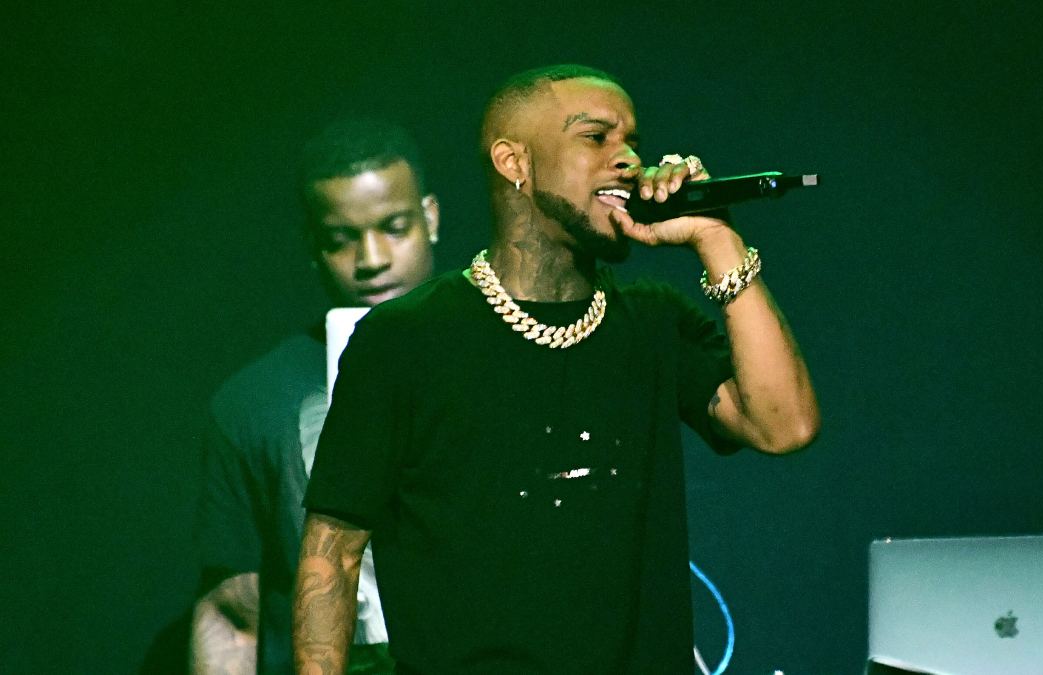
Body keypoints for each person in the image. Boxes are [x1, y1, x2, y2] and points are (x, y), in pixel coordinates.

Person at [294, 65, 820, 675]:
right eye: (596, 137)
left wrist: (716, 239)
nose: (628, 160)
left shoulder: (653, 320)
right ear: (514, 162)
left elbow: (784, 426)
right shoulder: (404, 338)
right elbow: (332, 554)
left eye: (633, 142)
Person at [192, 119, 440, 675]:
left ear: (431, 219)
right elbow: (234, 613)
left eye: (394, 227)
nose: (371, 259)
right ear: (312, 245)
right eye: (341, 239)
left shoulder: (510, 353)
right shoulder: (255, 402)